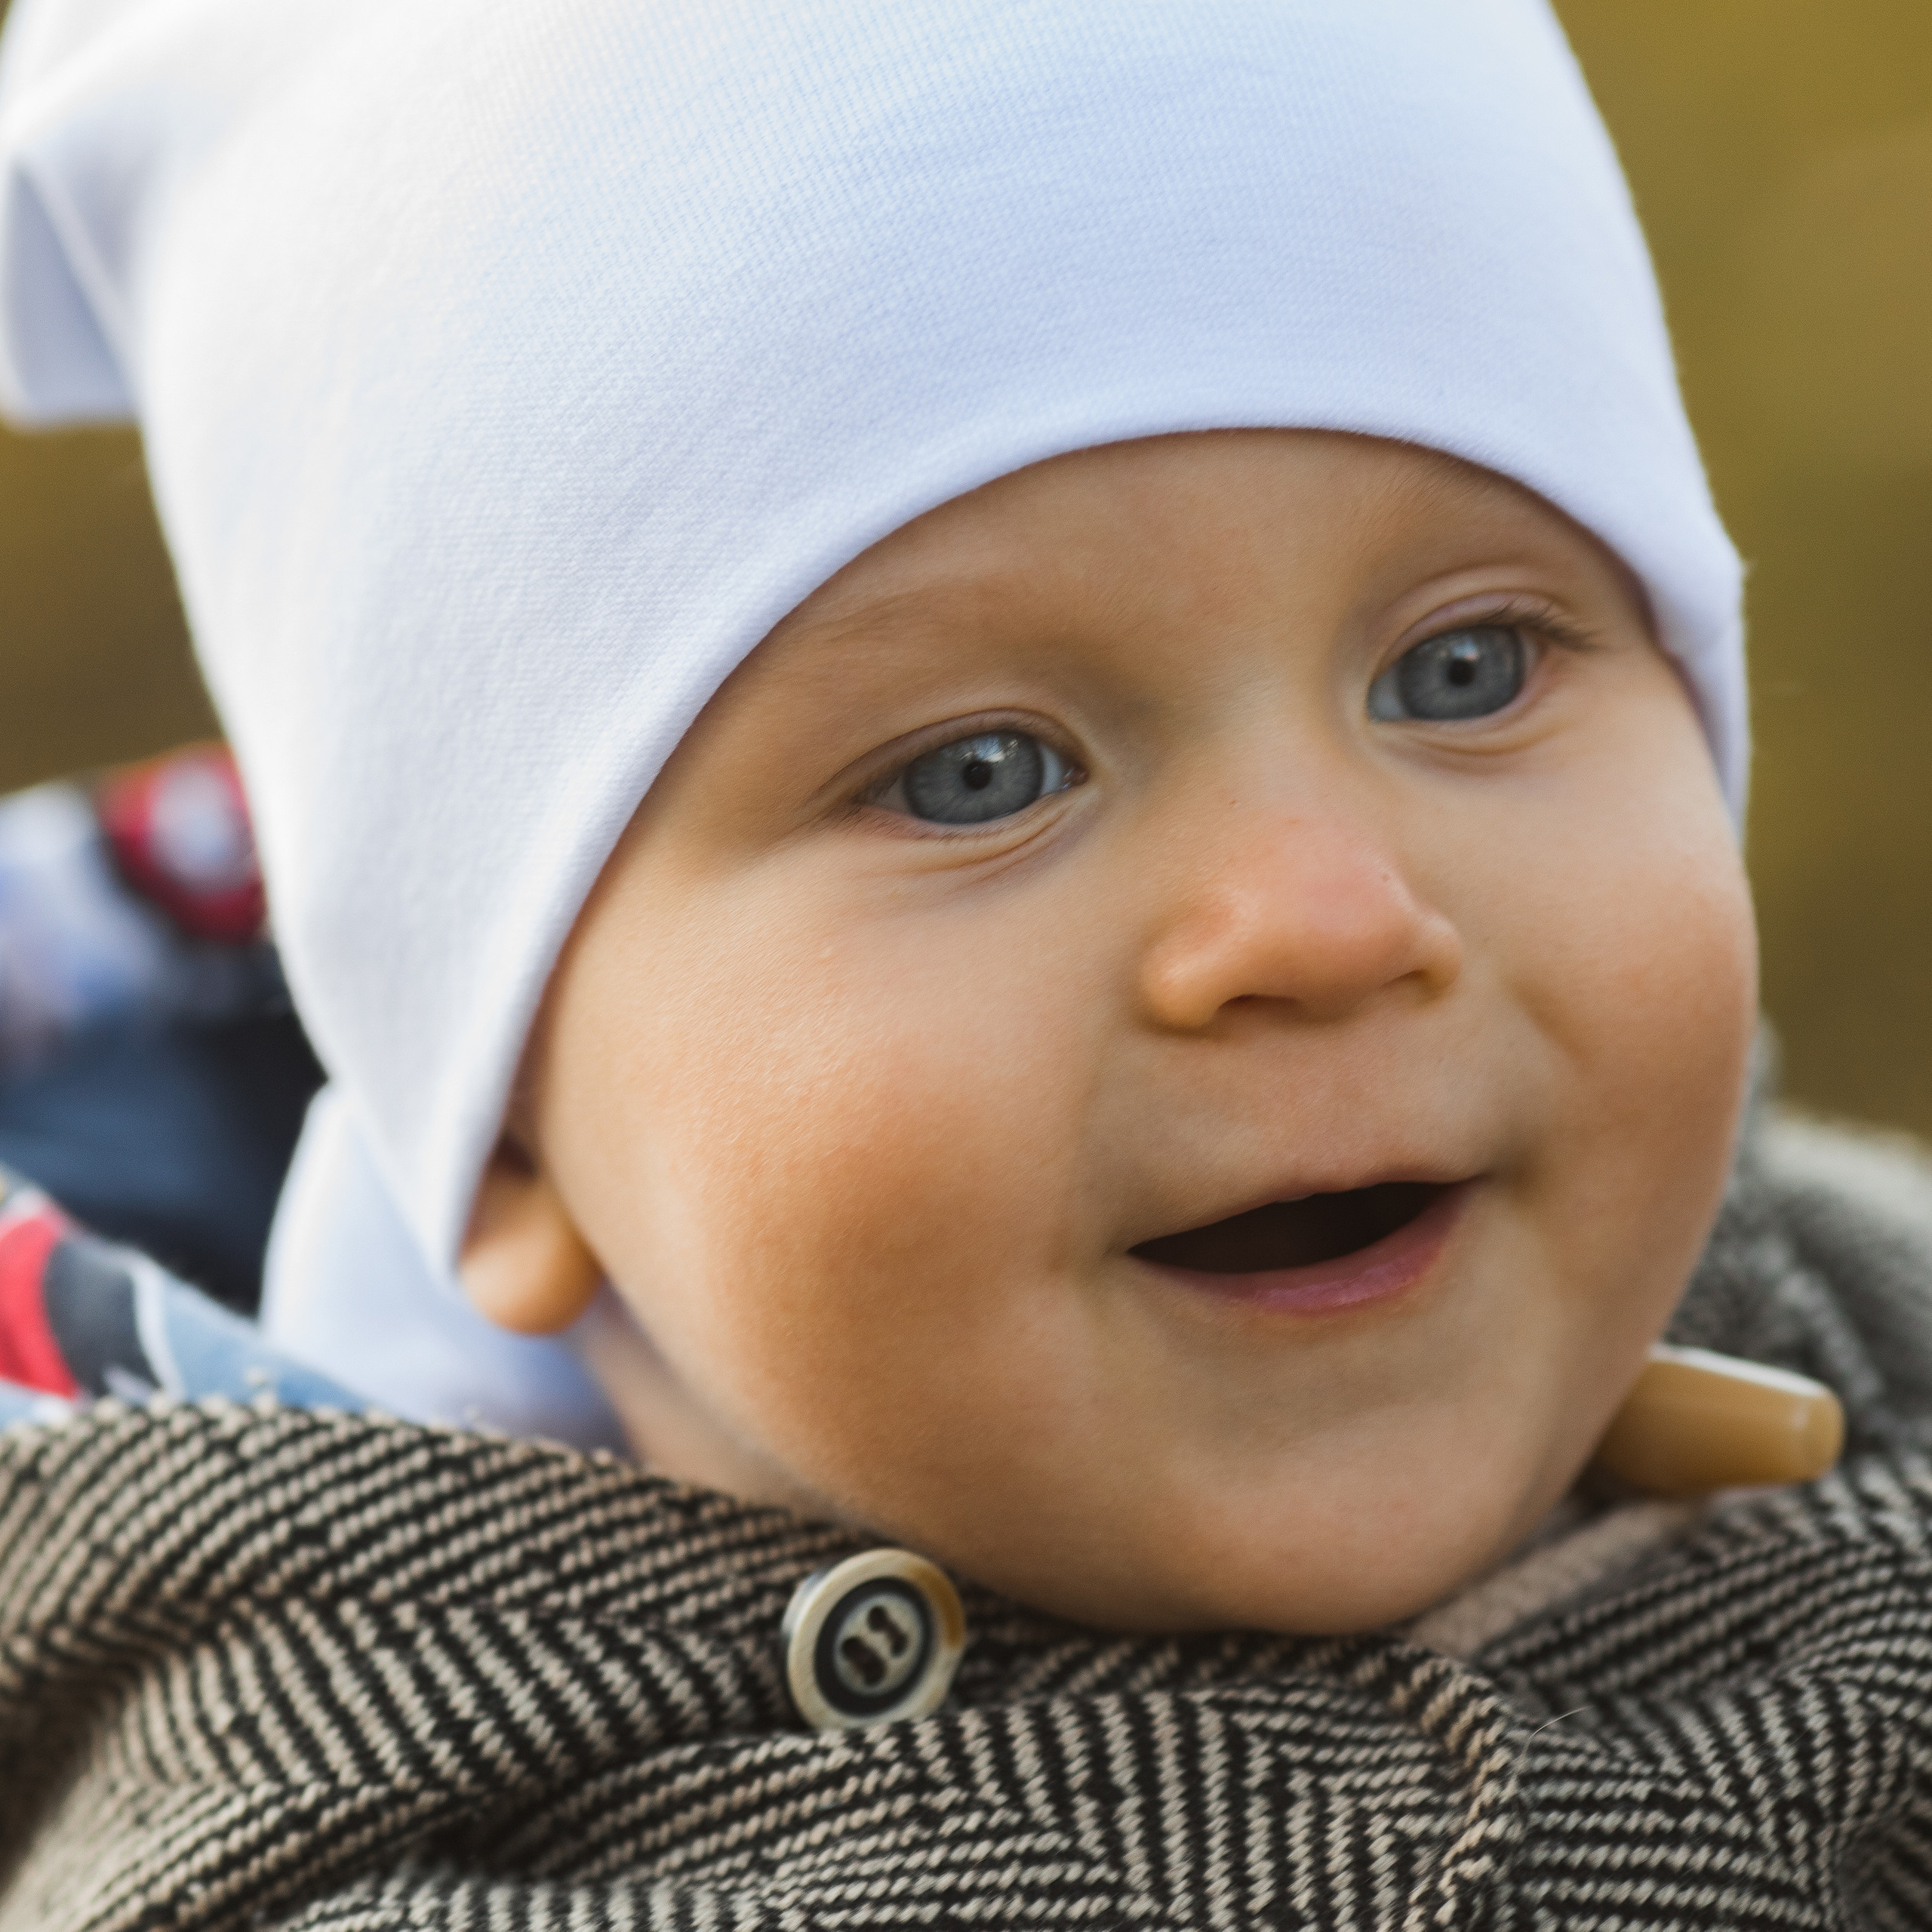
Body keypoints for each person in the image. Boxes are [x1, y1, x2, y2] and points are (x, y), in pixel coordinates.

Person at [0, 0, 1928, 1924]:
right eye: (974, 774)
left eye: (1463, 668)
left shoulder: (1873, 1329)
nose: (1324, 918)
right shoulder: (339, 1850)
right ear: (501, 1130)